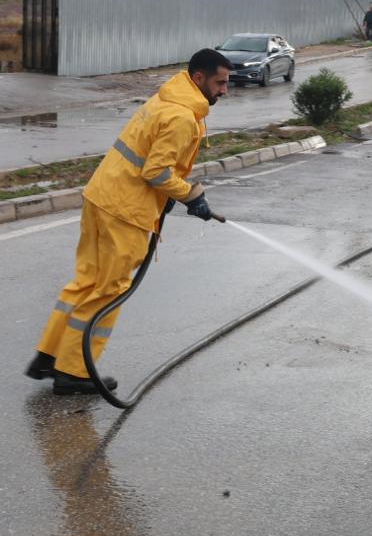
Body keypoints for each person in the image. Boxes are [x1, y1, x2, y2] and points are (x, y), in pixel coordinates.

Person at [26, 48, 230, 395]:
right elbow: (157, 172)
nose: (225, 90)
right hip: (125, 210)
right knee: (109, 290)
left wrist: (171, 195)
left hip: (102, 196)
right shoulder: (182, 117)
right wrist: (191, 195)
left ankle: (49, 354)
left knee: (86, 281)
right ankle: (75, 370)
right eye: (220, 83)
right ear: (199, 78)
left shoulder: (167, 98)